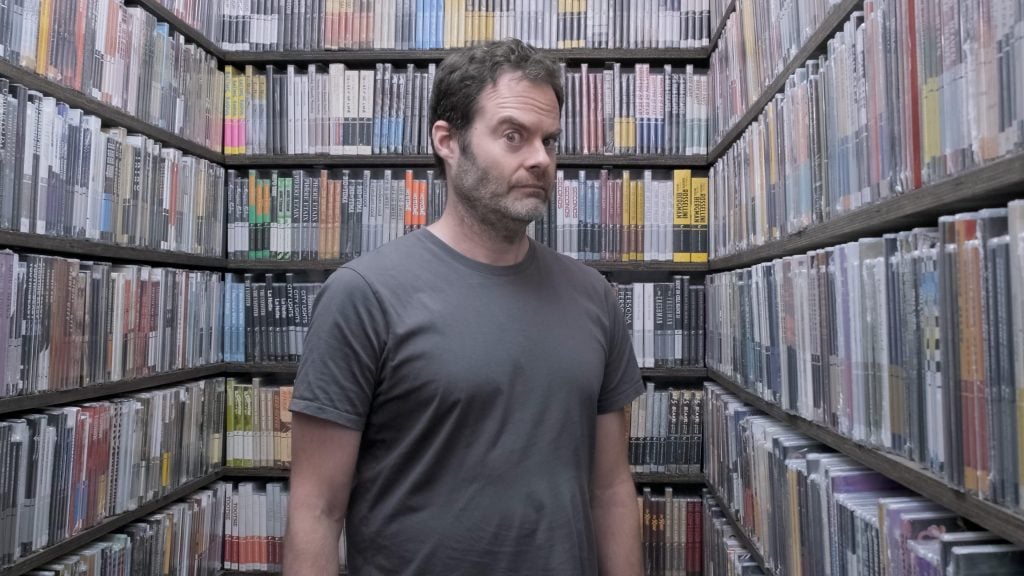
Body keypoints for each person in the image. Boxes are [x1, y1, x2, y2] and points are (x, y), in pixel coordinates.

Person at [283, 38, 644, 576]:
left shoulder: (594, 296)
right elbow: (317, 509)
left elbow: (612, 489)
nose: (541, 159)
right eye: (513, 136)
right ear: (447, 141)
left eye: (549, 140)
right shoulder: (363, 294)